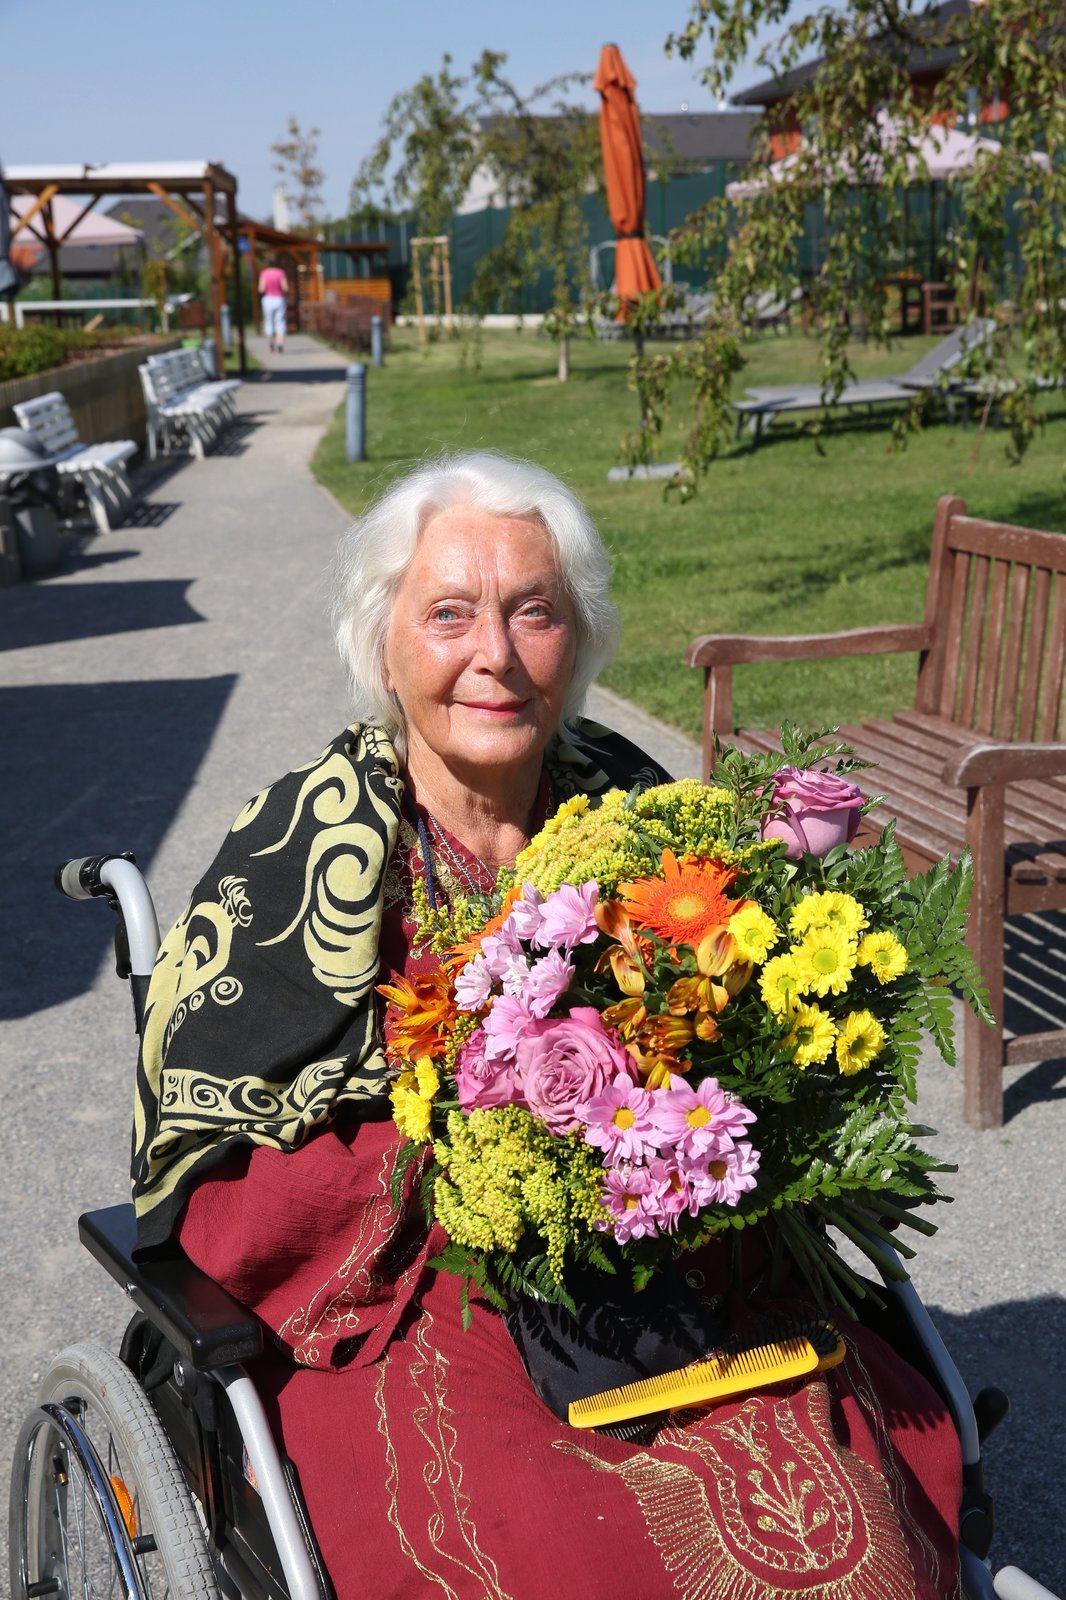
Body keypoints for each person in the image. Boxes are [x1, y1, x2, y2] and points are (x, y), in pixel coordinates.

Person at [132, 451, 963, 1600]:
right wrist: (472, 1136)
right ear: (386, 643)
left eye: (535, 612)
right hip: (420, 1303)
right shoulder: (300, 851)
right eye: (449, 614)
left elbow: (745, 1030)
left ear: (578, 640)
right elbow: (230, 1198)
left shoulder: (629, 805)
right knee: (560, 1548)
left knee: (847, 1529)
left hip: (669, 1274)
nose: (495, 655)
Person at [258, 256, 288, 353]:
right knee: (280, 321)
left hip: (268, 299)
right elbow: (285, 288)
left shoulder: (264, 273)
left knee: (269, 321)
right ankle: (280, 344)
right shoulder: (280, 273)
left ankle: (271, 344)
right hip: (279, 299)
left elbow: (261, 289)